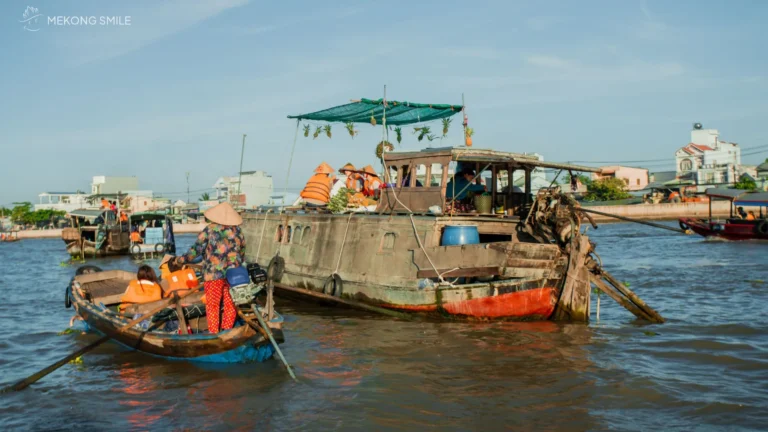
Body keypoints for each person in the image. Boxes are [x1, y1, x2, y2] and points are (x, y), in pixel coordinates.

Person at [174, 202, 245, 334]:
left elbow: (195, 250)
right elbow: (242, 253)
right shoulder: (238, 231)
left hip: (213, 274)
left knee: (213, 306)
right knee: (230, 305)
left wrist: (180, 260)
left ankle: (214, 333)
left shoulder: (210, 229)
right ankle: (227, 331)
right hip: (234, 275)